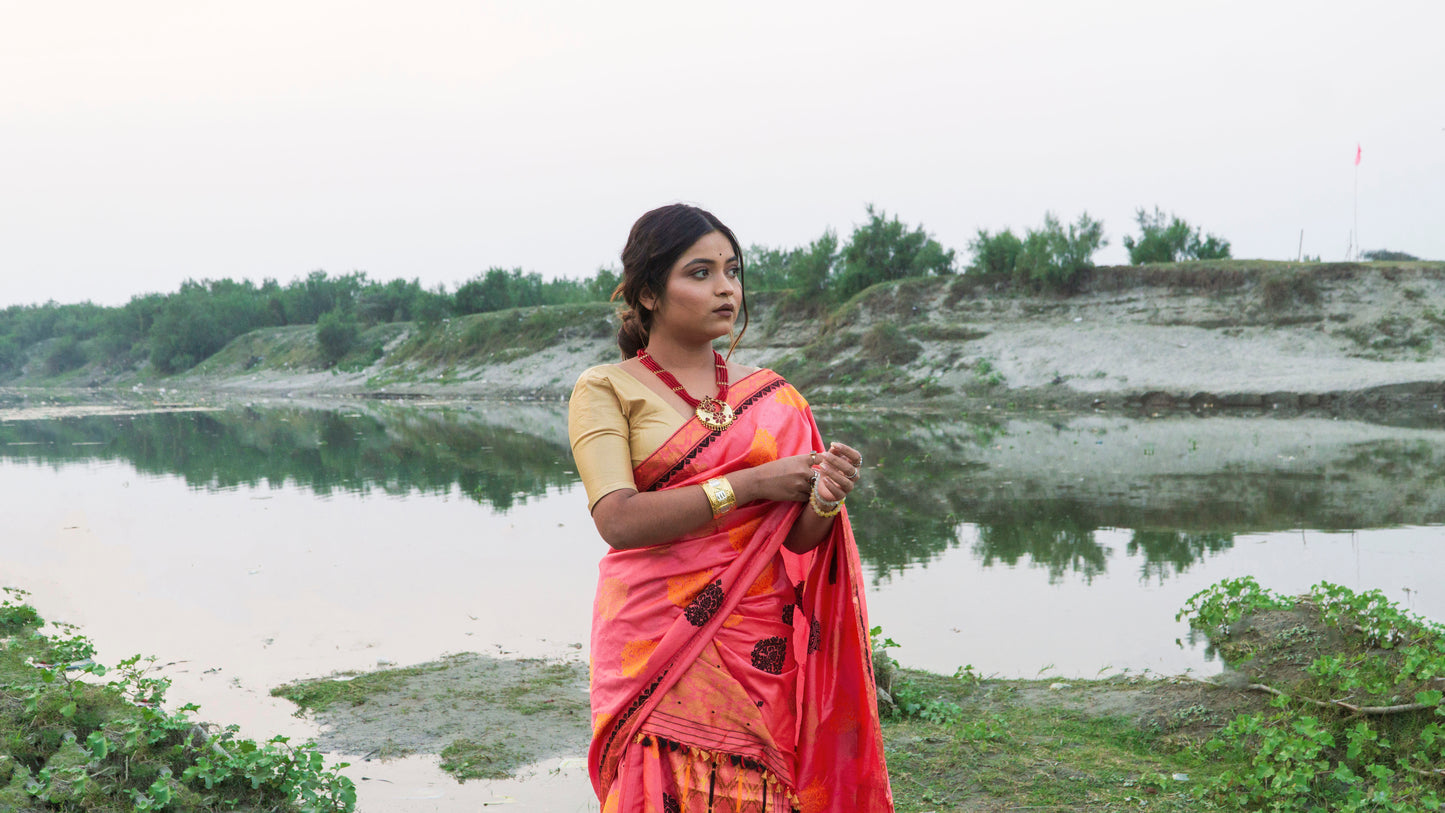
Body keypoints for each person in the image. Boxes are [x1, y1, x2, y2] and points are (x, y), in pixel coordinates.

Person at [568, 203, 893, 813]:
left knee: (759, 791)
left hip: (756, 643)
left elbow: (795, 542)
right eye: (700, 272)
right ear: (647, 294)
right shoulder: (607, 388)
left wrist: (823, 499)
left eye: (733, 271)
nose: (726, 288)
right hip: (655, 642)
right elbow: (617, 521)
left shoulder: (773, 396)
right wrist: (749, 486)